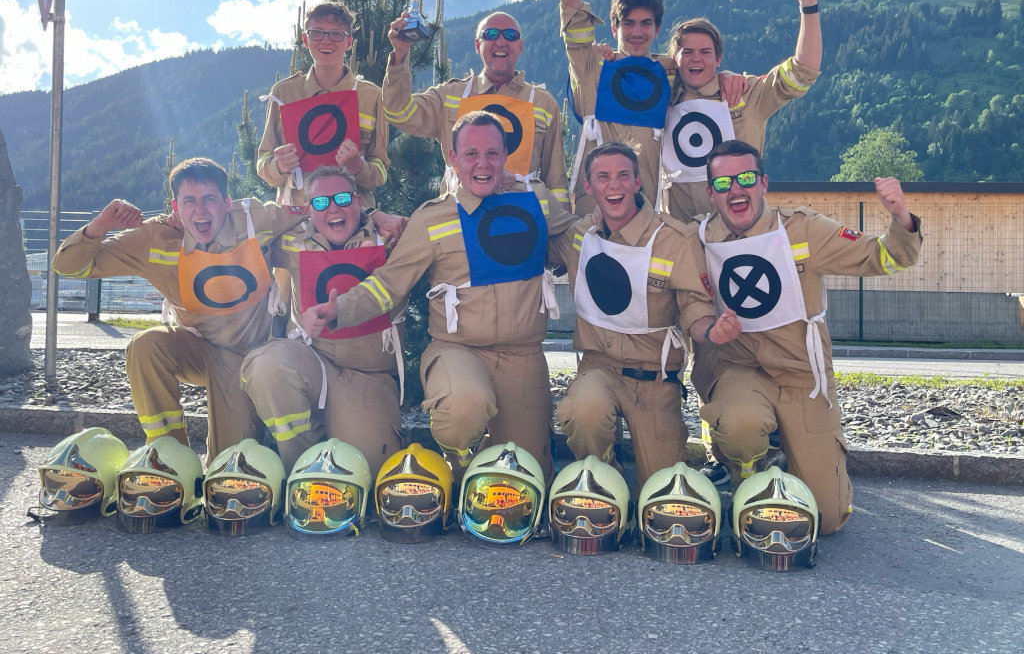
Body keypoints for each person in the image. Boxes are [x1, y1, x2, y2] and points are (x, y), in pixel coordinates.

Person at [301, 111, 576, 483]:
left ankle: (490, 460)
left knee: (529, 476)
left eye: (492, 154)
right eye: (471, 154)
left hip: (523, 357)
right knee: (464, 407)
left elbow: (574, 238)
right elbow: (389, 283)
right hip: (457, 351)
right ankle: (460, 464)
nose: (482, 163)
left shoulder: (536, 200)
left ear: (505, 156)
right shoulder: (433, 219)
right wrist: (340, 309)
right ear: (453, 157)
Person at [693, 140, 922, 535]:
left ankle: (790, 456)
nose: (736, 189)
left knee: (827, 518)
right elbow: (678, 286)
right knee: (740, 423)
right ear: (711, 193)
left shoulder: (803, 229)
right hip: (740, 369)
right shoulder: (700, 238)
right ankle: (749, 476)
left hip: (803, 375)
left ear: (764, 183)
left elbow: (884, 256)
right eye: (724, 182)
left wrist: (900, 215)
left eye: (746, 178)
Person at [52, 157, 308, 458]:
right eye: (189, 201)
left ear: (227, 203)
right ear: (175, 207)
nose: (200, 210)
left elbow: (315, 214)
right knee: (145, 346)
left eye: (209, 199)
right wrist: (101, 225)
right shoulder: (156, 238)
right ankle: (169, 456)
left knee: (230, 460)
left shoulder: (255, 219)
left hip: (252, 355)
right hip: (200, 350)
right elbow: (68, 266)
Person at [531, 0, 745, 214]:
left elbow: (699, 70)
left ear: (657, 30)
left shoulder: (668, 72)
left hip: (646, 214)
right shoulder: (591, 66)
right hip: (595, 213)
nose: (637, 31)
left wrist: (725, 74)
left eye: (646, 24)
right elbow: (571, 2)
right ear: (614, 28)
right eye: (628, 23)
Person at [548, 141, 739, 486]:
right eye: (603, 177)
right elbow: (537, 239)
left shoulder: (675, 240)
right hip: (599, 368)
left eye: (623, 175)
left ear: (638, 182)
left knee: (661, 488)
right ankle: (606, 480)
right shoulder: (579, 237)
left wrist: (711, 330)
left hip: (656, 381)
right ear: (589, 186)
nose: (614, 184)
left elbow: (695, 305)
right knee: (582, 412)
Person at [240, 166, 405, 476]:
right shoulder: (293, 241)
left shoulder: (389, 237)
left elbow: (427, 231)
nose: (333, 209)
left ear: (358, 201)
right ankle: (300, 466)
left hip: (368, 376)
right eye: (319, 202)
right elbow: (245, 224)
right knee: (267, 367)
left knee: (366, 471)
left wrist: (377, 215)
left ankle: (345, 431)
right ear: (309, 209)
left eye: (342, 198)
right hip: (312, 364)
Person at [661, 0, 823, 221]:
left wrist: (808, 6)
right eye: (688, 52)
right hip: (684, 235)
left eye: (705, 52)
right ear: (675, 59)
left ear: (718, 59)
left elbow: (803, 71)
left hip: (741, 232)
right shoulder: (660, 97)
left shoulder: (746, 93)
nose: (696, 59)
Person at [382, 9, 569, 206]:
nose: (501, 41)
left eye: (510, 35)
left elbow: (556, 181)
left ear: (520, 46)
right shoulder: (450, 95)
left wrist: (560, 222)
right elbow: (398, 112)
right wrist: (400, 55)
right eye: (491, 34)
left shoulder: (542, 103)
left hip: (520, 217)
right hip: (459, 217)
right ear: (477, 45)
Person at [257, 1, 389, 208]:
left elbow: (380, 171)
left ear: (349, 42)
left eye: (336, 34)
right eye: (317, 33)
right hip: (296, 217)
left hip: (351, 215)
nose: (326, 41)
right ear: (305, 40)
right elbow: (262, 162)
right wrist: (278, 166)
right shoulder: (284, 93)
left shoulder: (371, 97)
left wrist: (358, 167)